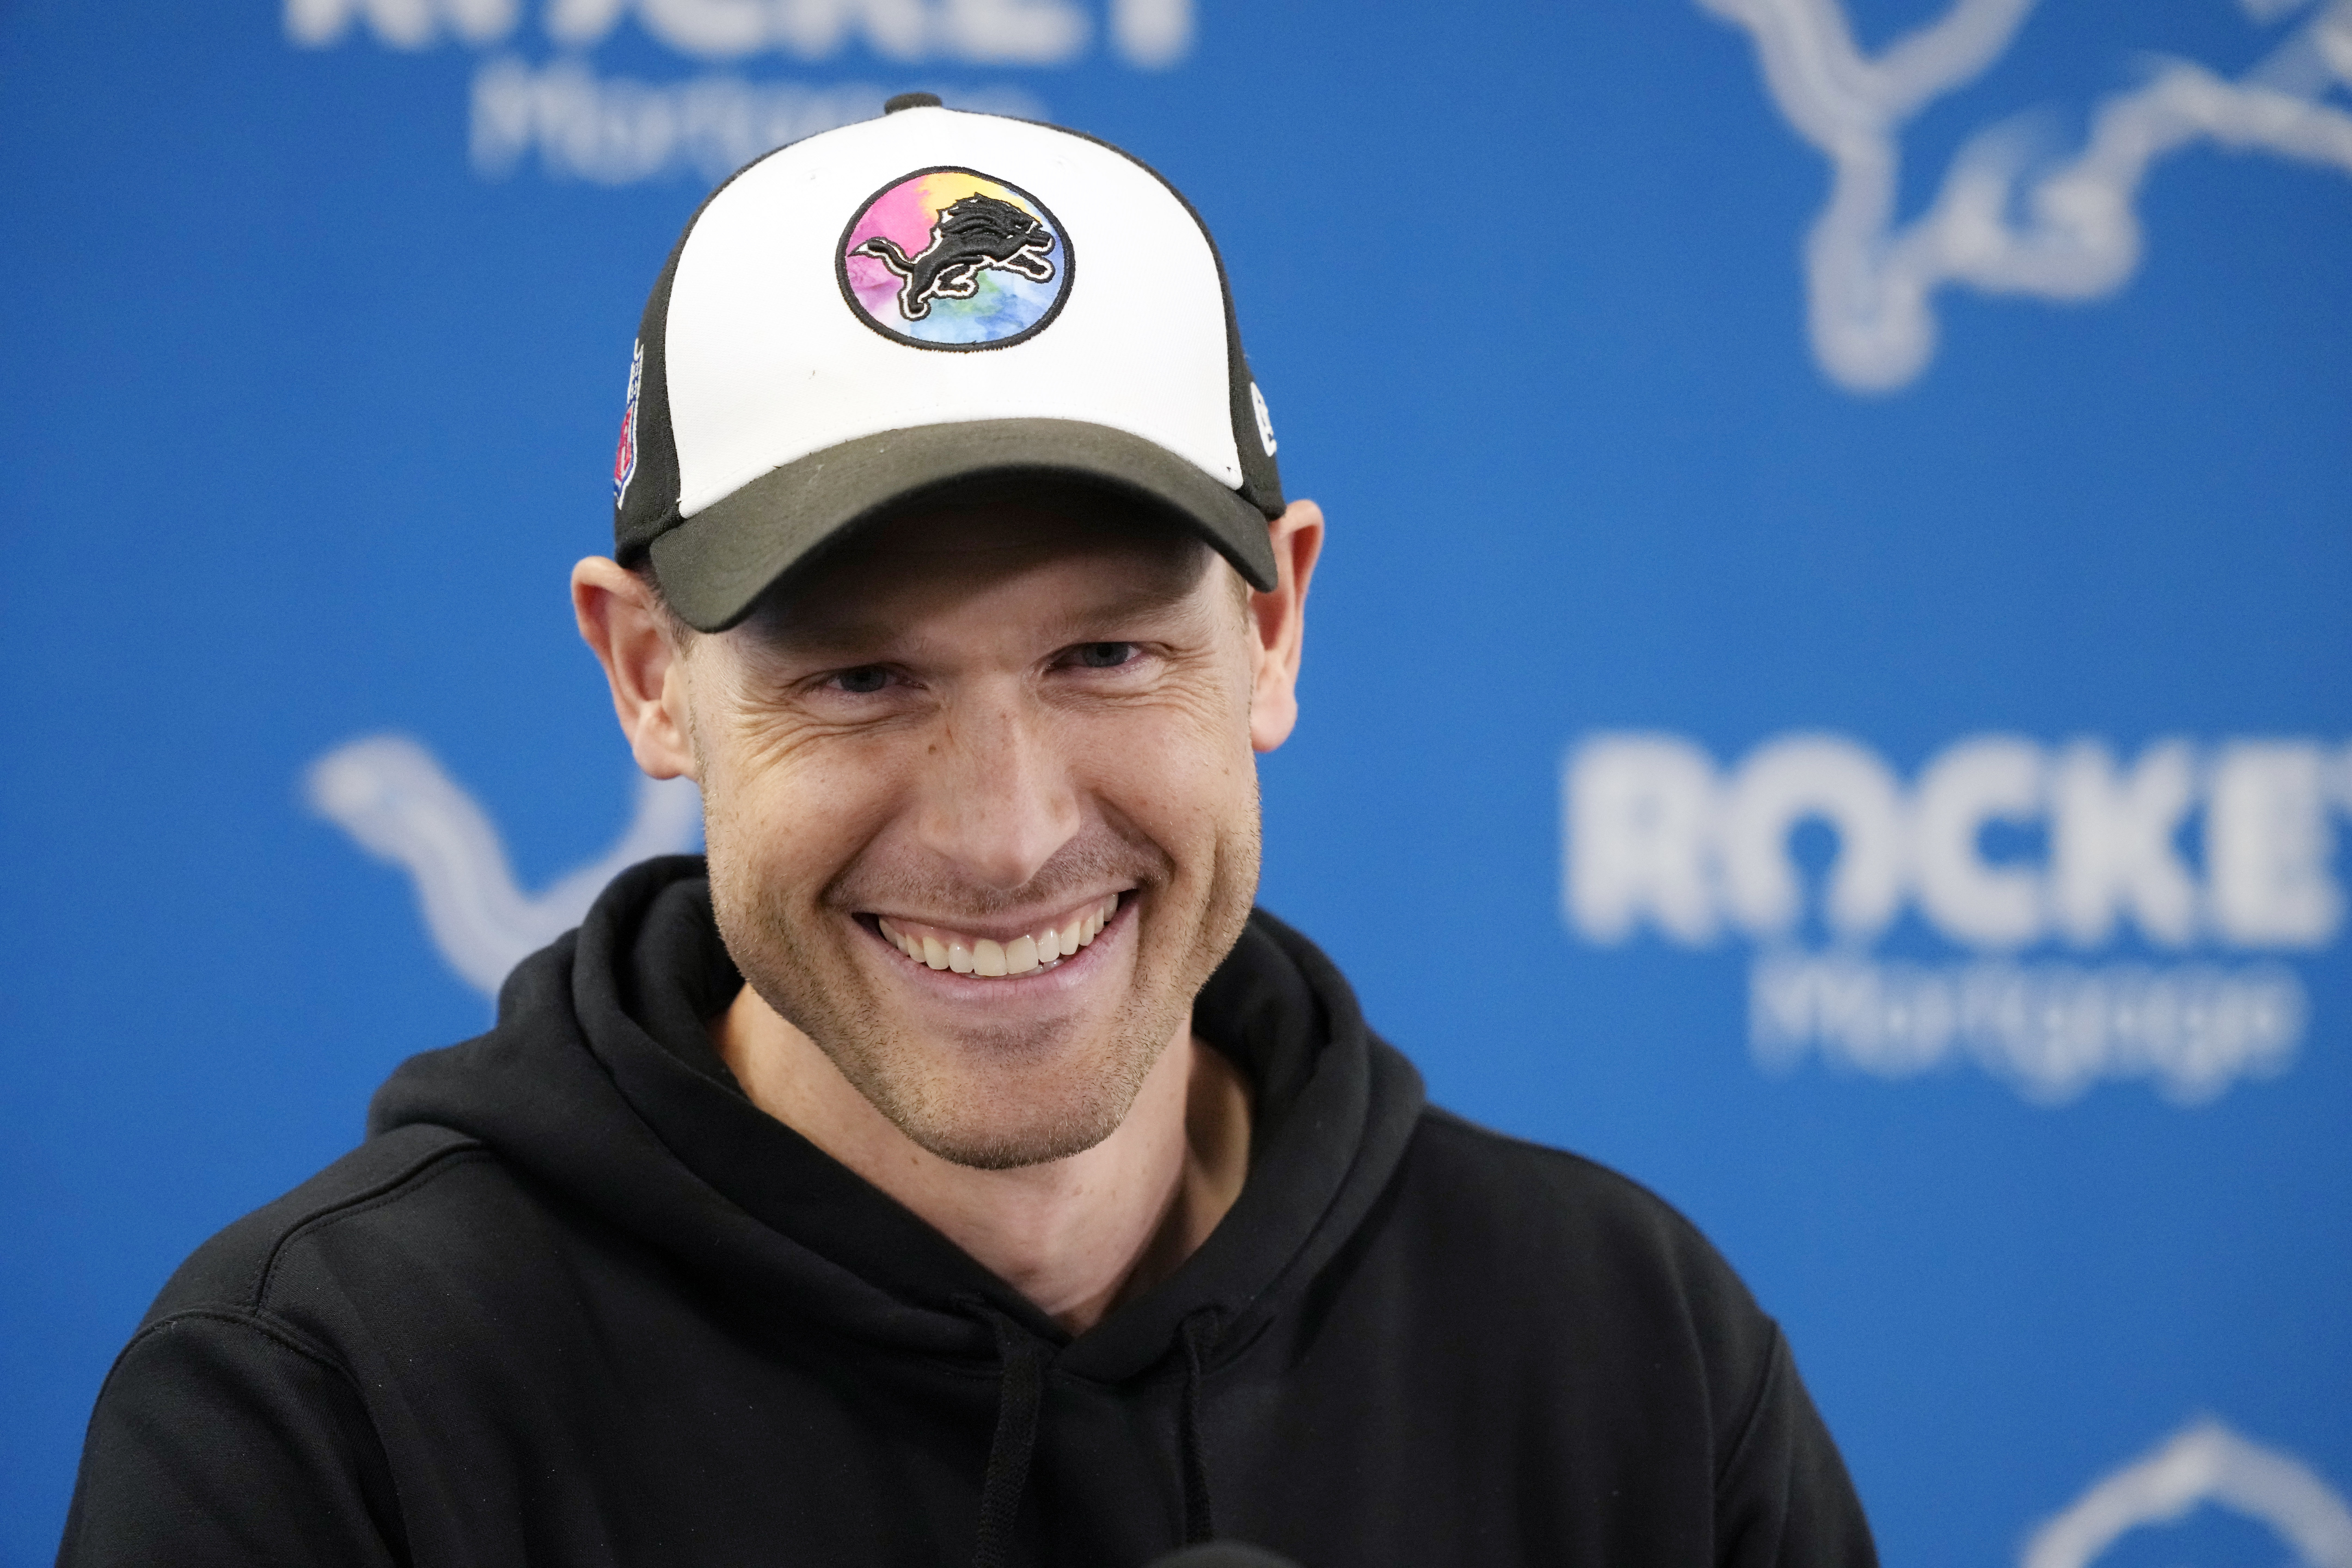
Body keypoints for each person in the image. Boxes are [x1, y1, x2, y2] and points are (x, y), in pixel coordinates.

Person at [59, 99, 1878, 1568]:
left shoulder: (1625, 1351)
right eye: (858, 681)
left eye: (1105, 654)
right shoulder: (327, 1404)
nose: (1008, 838)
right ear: (647, 681)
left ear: (1274, 630)